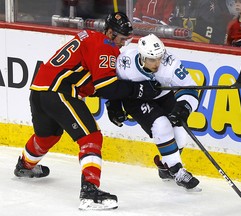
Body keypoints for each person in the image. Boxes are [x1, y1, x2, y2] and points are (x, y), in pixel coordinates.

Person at [13, 12, 161, 211]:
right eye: (122, 38)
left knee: (46, 137)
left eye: (127, 39)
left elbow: (99, 81)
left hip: (39, 90)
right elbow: (106, 87)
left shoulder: (89, 37)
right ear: (109, 32)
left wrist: (113, 105)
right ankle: (89, 192)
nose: (124, 43)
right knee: (91, 137)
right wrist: (140, 89)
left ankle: (25, 165)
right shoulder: (106, 45)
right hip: (60, 92)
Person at [105, 34, 201, 191]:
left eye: (159, 57)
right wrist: (113, 105)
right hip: (136, 100)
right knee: (162, 126)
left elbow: (190, 87)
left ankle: (165, 167)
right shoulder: (125, 63)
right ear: (142, 57)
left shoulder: (169, 63)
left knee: (180, 135)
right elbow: (112, 83)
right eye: (152, 59)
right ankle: (177, 171)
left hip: (162, 94)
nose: (157, 63)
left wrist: (184, 108)